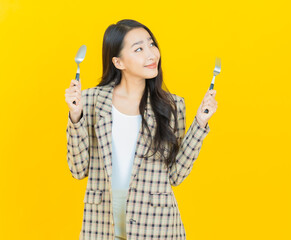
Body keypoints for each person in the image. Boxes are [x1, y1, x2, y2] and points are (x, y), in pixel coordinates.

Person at [65, 19, 217, 240]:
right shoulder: (90, 101)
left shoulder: (172, 106)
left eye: (151, 44)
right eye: (139, 49)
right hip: (102, 225)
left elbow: (175, 175)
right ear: (118, 62)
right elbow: (78, 169)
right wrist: (75, 116)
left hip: (156, 226)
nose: (152, 54)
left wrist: (200, 123)